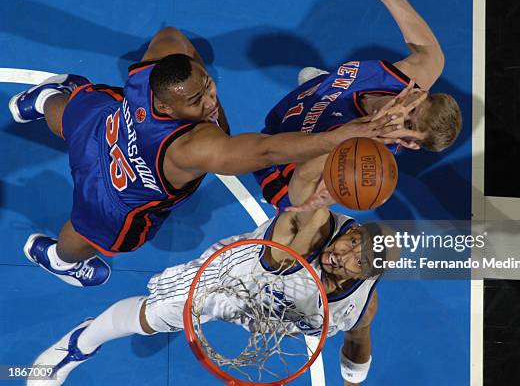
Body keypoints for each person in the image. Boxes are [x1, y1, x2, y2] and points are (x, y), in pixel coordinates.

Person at [26, 96, 421, 385]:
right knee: (152, 318)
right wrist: (346, 143)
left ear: (368, 275)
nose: (343, 253)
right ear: (351, 229)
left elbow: (357, 339)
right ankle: (79, 344)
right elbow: (301, 200)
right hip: (233, 278)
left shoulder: (358, 307)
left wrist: (353, 381)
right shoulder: (313, 228)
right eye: (351, 240)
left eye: (357, 259)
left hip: (275, 317)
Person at [8, 26, 406, 288]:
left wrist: (201, 96)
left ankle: (39, 100)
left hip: (102, 127)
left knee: (75, 108)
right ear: (165, 108)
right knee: (87, 235)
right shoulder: (192, 147)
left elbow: (172, 37)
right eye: (197, 101)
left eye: (208, 87)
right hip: (114, 193)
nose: (210, 99)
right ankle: (58, 260)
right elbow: (267, 149)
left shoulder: (151, 77)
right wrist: (343, 136)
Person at [254, 0, 462, 210]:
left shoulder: (360, 157)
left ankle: (328, 102)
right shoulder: (417, 71)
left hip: (278, 165)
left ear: (409, 144)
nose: (398, 116)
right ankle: (327, 92)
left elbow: (301, 184)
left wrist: (342, 146)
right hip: (306, 106)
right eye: (412, 109)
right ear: (420, 93)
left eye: (409, 125)